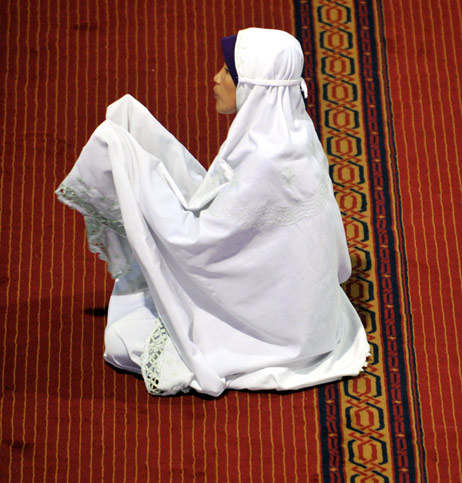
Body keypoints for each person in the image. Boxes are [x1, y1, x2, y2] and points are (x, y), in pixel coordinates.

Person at [56, 28, 369, 397]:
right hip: (304, 310)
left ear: (252, 88)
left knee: (124, 341)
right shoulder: (296, 135)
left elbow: (202, 245)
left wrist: (134, 170)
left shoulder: (265, 161)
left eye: (227, 72)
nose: (215, 78)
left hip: (275, 326)